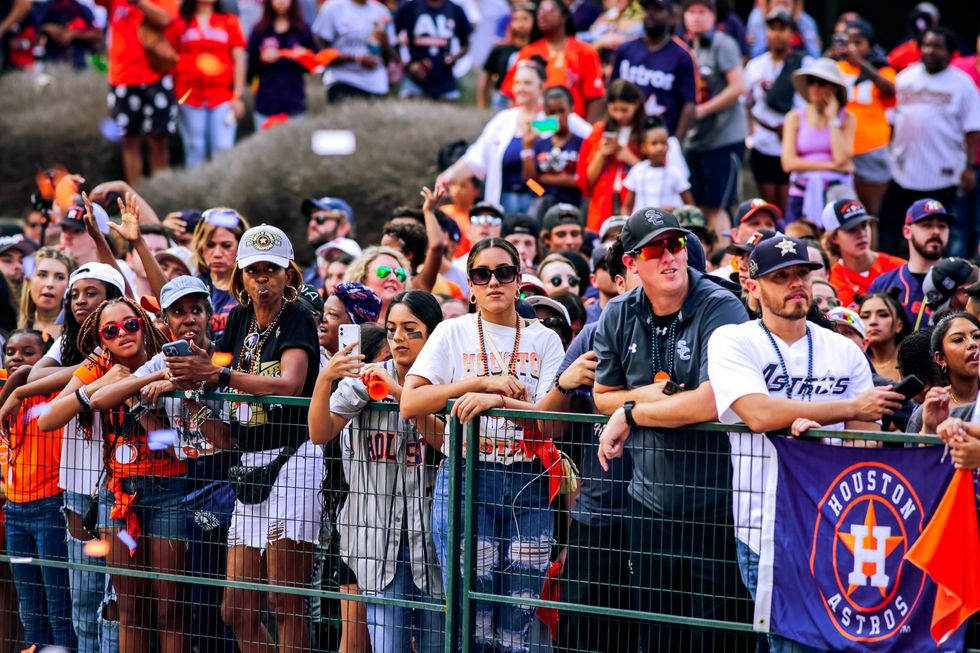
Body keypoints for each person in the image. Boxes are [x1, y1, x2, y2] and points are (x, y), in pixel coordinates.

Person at [705, 233, 901, 653]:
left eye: (802, 274)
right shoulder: (733, 339)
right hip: (765, 526)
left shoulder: (842, 349)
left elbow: (867, 441)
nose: (796, 284)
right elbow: (758, 414)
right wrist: (842, 409)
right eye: (781, 277)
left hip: (836, 525)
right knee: (787, 643)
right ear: (753, 288)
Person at [594, 207, 751, 653]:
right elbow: (603, 395)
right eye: (655, 249)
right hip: (649, 503)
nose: (670, 258)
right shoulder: (618, 312)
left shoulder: (721, 305)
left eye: (676, 245)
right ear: (630, 262)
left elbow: (711, 400)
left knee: (716, 637)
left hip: (716, 505)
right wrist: (655, 395)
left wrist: (630, 413)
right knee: (656, 635)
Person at [401, 238, 565, 652]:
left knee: (518, 614)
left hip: (529, 481)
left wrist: (498, 401)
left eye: (504, 273)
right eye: (481, 274)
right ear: (470, 283)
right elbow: (411, 401)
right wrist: (479, 383)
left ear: (519, 280)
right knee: (471, 615)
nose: (494, 281)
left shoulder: (545, 340)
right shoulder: (451, 332)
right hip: (465, 477)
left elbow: (551, 425)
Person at [164, 224, 322, 653]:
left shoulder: (297, 318)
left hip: (294, 459)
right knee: (235, 609)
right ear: (240, 277)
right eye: (254, 270)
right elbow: (219, 373)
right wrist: (193, 377)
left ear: (289, 273)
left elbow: (290, 384)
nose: (263, 278)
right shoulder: (237, 318)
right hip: (248, 459)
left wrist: (217, 373)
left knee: (284, 601)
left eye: (272, 268)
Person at [88, 276, 233, 653]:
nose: (189, 319)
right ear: (166, 322)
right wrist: (154, 382)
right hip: (164, 484)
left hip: (214, 488)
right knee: (134, 607)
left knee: (183, 608)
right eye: (179, 312)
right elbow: (104, 401)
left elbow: (224, 442)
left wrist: (185, 393)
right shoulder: (158, 361)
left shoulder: (223, 360)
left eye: (197, 310)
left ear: (209, 316)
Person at [38, 296, 184, 653]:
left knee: (170, 610)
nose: (123, 334)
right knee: (129, 607)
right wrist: (98, 387)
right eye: (111, 330)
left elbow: (170, 445)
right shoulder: (99, 365)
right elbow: (47, 419)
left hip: (167, 492)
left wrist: (132, 391)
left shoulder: (164, 360)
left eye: (130, 324)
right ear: (102, 338)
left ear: (143, 325)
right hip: (117, 498)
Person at [309, 290, 445, 653]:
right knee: (387, 645)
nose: (399, 337)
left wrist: (401, 395)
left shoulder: (448, 379)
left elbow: (450, 443)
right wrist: (326, 379)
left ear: (433, 334)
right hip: (375, 538)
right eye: (392, 329)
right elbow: (320, 433)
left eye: (411, 329)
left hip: (432, 539)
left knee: (435, 641)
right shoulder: (365, 379)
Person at [0, 262, 125, 653]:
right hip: (73, 491)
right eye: (77, 294)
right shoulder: (66, 342)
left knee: (114, 606)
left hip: (119, 490)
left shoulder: (124, 340)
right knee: (81, 606)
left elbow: (110, 364)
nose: (82, 301)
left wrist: (18, 391)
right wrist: (22, 384)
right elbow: (38, 375)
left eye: (92, 293)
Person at [0, 329, 75, 651]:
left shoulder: (50, 395)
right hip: (14, 514)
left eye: (28, 352)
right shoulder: (5, 395)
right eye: (11, 351)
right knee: (29, 605)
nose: (17, 358)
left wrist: (25, 377)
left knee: (58, 604)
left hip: (50, 510)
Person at [436, 60, 592, 214]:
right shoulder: (504, 120)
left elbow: (592, 137)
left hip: (540, 198)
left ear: (542, 86)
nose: (521, 88)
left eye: (527, 83)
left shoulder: (552, 119)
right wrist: (448, 175)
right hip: (504, 199)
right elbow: (476, 158)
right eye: (517, 83)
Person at [879, 27, 980, 256]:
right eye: (926, 45)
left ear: (951, 52)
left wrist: (969, 168)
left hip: (942, 172)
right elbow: (892, 121)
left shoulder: (962, 84)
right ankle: (891, 274)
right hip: (903, 171)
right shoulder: (905, 77)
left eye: (937, 46)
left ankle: (950, 277)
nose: (930, 51)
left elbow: (972, 129)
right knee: (892, 227)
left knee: (946, 231)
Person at [681, 0, 747, 240]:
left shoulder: (723, 43)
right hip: (695, 140)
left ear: (713, 15)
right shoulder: (685, 47)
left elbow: (738, 86)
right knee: (695, 204)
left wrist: (701, 111)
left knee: (716, 206)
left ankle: (721, 258)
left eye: (703, 11)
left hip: (724, 138)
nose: (697, 17)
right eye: (692, 11)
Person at [100, 0, 179, 184]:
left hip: (155, 75)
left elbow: (165, 18)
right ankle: (134, 200)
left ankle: (160, 195)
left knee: (158, 139)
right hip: (123, 77)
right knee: (129, 139)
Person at [743, 8, 809, 210]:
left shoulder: (805, 64)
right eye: (772, 28)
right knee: (769, 205)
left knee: (790, 203)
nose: (777, 34)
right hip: (764, 139)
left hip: (795, 141)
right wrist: (751, 134)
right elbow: (746, 103)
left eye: (783, 28)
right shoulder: (755, 66)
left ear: (792, 33)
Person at [831, 19, 896, 217]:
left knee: (868, 215)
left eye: (858, 42)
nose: (852, 47)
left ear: (870, 45)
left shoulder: (883, 69)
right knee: (845, 215)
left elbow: (891, 90)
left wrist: (859, 63)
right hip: (840, 149)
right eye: (847, 41)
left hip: (871, 148)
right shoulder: (836, 67)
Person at [781, 58, 856, 225]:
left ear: (833, 88)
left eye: (821, 82)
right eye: (811, 81)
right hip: (802, 192)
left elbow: (842, 157)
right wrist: (834, 167)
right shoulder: (794, 117)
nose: (814, 87)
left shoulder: (847, 118)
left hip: (836, 192)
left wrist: (832, 120)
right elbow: (788, 163)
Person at [501, 0, 604, 121]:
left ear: (564, 16)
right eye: (540, 11)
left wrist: (586, 134)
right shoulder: (528, 53)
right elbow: (513, 96)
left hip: (570, 129)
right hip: (535, 127)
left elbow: (596, 97)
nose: (542, 15)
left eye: (549, 11)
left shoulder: (585, 52)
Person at [172, 0, 246, 167]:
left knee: (223, 148)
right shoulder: (180, 22)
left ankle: (223, 191)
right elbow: (170, 56)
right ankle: (195, 191)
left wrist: (237, 95)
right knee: (194, 147)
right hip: (189, 96)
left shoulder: (229, 21)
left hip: (222, 96)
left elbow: (239, 59)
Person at [609, 0, 696, 141]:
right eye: (647, 10)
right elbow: (610, 90)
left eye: (657, 10)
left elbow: (689, 104)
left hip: (661, 137)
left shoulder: (682, 56)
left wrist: (676, 142)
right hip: (625, 134)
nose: (650, 15)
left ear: (671, 16)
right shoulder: (626, 49)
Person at [867, 198, 952, 328]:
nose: (936, 231)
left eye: (942, 226)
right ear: (907, 232)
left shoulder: (962, 283)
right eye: (927, 225)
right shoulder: (883, 284)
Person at [577, 79, 645, 232]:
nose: (619, 115)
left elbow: (656, 175)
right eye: (615, 109)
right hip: (602, 203)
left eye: (624, 110)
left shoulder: (647, 131)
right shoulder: (598, 131)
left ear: (637, 105)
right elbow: (585, 180)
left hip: (635, 202)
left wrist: (630, 159)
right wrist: (601, 154)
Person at [822, 199, 905, 308]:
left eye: (864, 225)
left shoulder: (900, 268)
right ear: (833, 237)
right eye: (851, 229)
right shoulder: (830, 282)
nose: (861, 234)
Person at [246, 0, 316, 128]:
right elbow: (249, 70)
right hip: (266, 103)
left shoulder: (302, 29)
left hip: (294, 103)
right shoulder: (260, 30)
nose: (281, 2)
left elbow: (316, 65)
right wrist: (262, 60)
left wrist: (305, 57)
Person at [908, 312, 980, 435]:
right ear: (941, 358)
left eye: (977, 336)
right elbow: (913, 454)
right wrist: (929, 430)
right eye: (958, 339)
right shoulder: (928, 411)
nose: (972, 344)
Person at [311, 0, 396, 103]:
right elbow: (320, 50)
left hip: (376, 85)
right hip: (343, 81)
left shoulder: (381, 11)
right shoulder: (333, 8)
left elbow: (394, 55)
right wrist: (355, 58)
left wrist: (385, 42)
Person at [190, 207, 249, 341]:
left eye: (226, 245)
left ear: (242, 247)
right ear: (201, 247)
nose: (217, 254)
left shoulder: (252, 287)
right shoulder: (193, 287)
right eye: (210, 245)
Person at [393, 0, 471, 101]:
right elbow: (392, 39)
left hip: (445, 82)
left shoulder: (455, 10)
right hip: (414, 82)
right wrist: (408, 65)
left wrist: (454, 58)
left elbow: (466, 45)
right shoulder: (410, 7)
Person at [523, 86, 585, 210]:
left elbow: (582, 181)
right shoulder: (540, 144)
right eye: (551, 113)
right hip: (543, 209)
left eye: (561, 111)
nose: (557, 117)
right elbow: (529, 181)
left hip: (574, 207)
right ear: (545, 114)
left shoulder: (581, 143)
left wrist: (544, 178)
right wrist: (542, 194)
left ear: (571, 109)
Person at [623, 118, 693, 213]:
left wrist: (675, 209)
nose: (660, 148)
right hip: (641, 225)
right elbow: (627, 206)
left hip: (666, 225)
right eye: (654, 143)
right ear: (644, 147)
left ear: (668, 146)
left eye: (663, 143)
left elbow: (690, 207)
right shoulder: (637, 171)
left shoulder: (674, 173)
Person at [477, 1, 533, 111]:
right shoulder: (500, 50)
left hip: (529, 100)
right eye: (516, 19)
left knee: (529, 127)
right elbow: (485, 79)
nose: (520, 24)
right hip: (501, 100)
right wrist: (481, 106)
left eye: (525, 19)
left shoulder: (538, 50)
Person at [17, 248, 76, 339]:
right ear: (28, 281)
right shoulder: (12, 325)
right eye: (42, 275)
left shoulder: (77, 331)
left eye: (60, 277)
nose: (50, 284)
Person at [345, 246, 411, 322]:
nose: (394, 278)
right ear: (363, 278)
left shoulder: (415, 319)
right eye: (383, 271)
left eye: (400, 274)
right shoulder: (347, 318)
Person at [300, 196, 355, 287]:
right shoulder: (310, 271)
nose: (312, 224)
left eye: (320, 219)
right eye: (310, 219)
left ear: (343, 226)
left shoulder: (355, 268)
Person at [858, 293, 909, 382]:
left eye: (883, 315)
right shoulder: (855, 362)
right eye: (865, 316)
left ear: (899, 325)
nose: (873, 321)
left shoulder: (914, 361)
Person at [746, 0, 821, 59]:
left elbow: (814, 56)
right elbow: (756, 55)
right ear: (769, 4)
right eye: (778, 3)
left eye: (785, 4)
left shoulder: (806, 21)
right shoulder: (758, 18)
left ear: (794, 5)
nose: (781, 9)